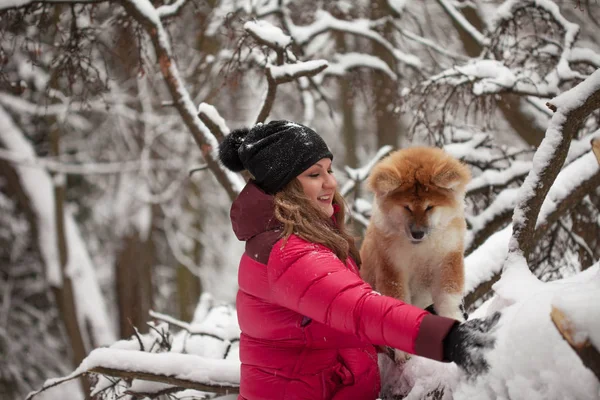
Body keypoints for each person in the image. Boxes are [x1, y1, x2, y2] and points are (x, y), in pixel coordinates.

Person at [219, 120, 499, 400]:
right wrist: (447, 338)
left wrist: (425, 319)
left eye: (329, 170)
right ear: (286, 187)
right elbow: (360, 310)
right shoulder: (290, 253)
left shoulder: (303, 240)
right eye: (314, 175)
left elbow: (337, 322)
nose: (330, 182)